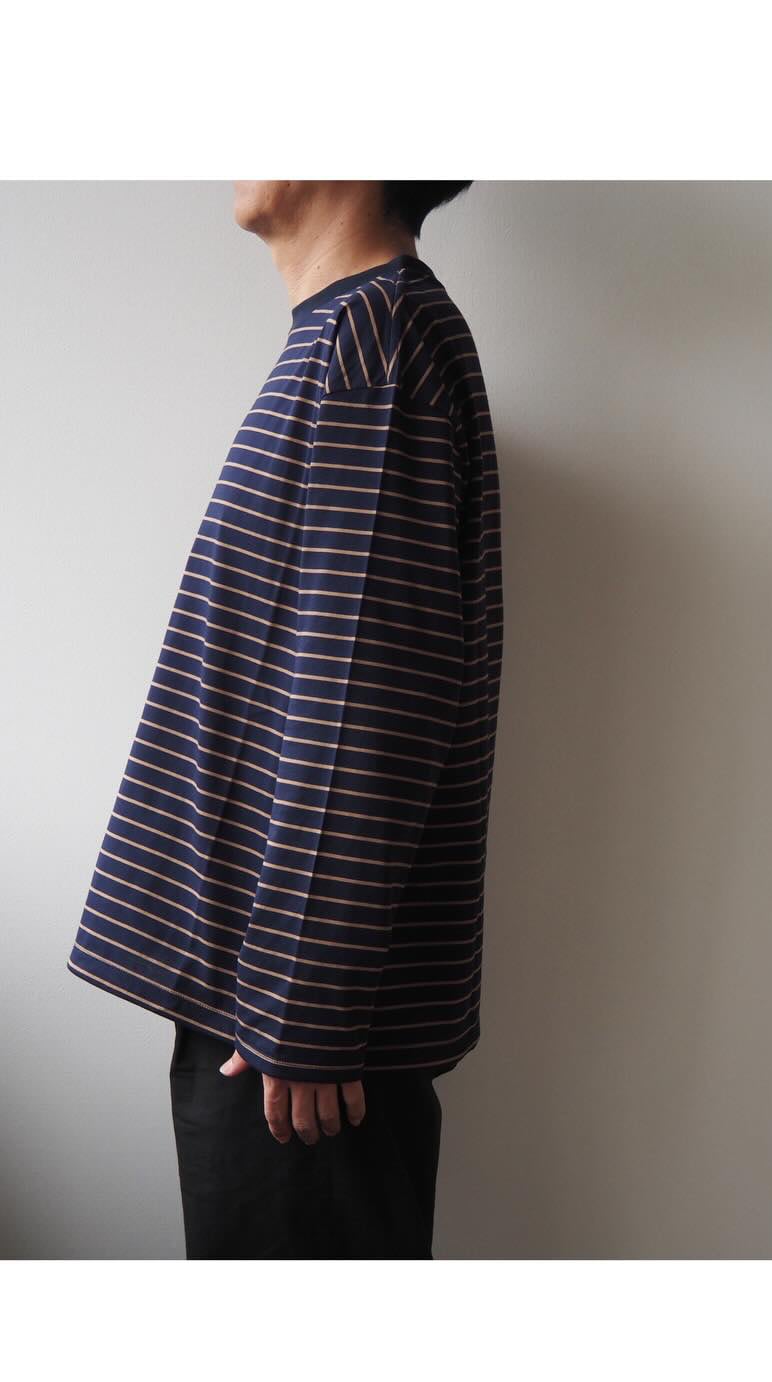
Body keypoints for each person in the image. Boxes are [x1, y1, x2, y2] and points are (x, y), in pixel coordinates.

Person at [67, 180, 504, 1258]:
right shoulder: (358, 334)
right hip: (272, 996)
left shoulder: (376, 341)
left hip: (292, 1035)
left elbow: (371, 685)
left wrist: (304, 1003)